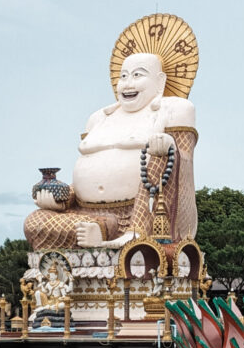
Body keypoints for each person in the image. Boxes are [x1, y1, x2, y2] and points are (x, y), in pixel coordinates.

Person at [24, 49, 197, 250]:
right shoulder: (98, 118)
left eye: (137, 75)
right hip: (88, 214)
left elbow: (185, 160)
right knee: (35, 222)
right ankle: (102, 229)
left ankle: (135, 233)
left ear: (160, 81)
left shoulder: (175, 109)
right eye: (123, 76)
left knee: (159, 151)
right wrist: (61, 198)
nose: (128, 83)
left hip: (148, 212)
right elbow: (87, 175)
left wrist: (169, 145)